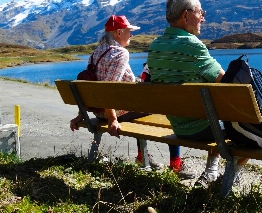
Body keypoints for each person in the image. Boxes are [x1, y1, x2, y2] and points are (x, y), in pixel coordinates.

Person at [69, 15, 195, 179]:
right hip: (113, 112)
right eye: (129, 31)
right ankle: (175, 164)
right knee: (168, 106)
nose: (131, 35)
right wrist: (112, 119)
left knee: (140, 102)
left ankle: (143, 156)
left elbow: (90, 83)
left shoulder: (97, 52)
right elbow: (109, 88)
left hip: (98, 111)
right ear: (119, 32)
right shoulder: (121, 53)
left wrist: (81, 115)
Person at [147, 0, 249, 185]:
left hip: (179, 125)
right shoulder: (192, 45)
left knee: (213, 111)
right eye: (200, 13)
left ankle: (211, 172)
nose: (203, 18)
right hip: (202, 128)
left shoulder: (155, 46)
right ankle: (229, 179)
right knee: (257, 126)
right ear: (186, 15)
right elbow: (227, 84)